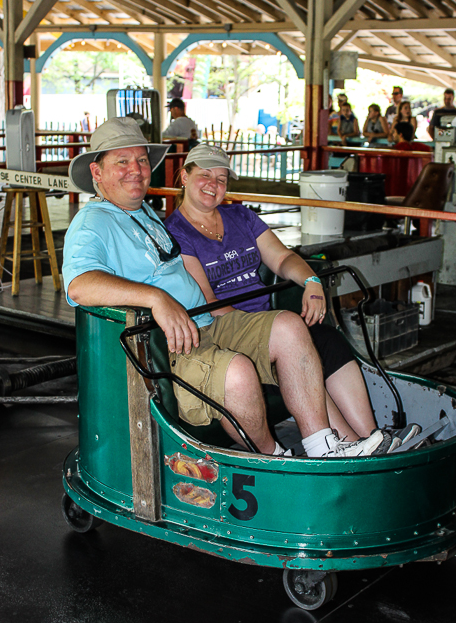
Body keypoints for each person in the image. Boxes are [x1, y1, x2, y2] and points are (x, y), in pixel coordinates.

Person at [63, 118, 400, 459]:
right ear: (97, 171)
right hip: (173, 344)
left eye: (140, 161)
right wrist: (156, 298)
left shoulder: (144, 213)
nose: (135, 170)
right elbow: (79, 285)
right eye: (122, 161)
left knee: (289, 325)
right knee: (237, 372)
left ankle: (324, 445)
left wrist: (311, 280)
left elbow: (279, 257)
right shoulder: (95, 221)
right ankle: (274, 458)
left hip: (208, 325)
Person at [165, 144, 420, 450]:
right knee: (294, 337)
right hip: (228, 326)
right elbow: (209, 304)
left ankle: (371, 438)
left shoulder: (240, 216)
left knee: (328, 340)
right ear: (184, 176)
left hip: (268, 324)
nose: (214, 184)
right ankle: (346, 446)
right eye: (205, 175)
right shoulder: (176, 232)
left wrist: (312, 282)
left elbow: (282, 258)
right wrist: (274, 328)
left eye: (221, 178)